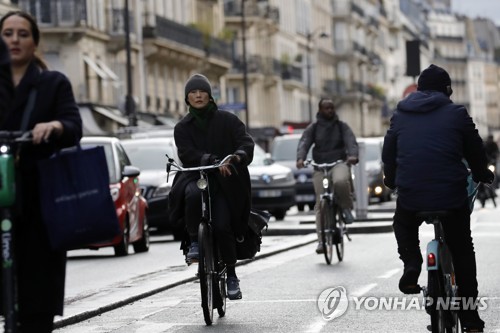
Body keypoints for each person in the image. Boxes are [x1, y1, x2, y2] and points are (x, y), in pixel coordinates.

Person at [382, 64, 494, 332]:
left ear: (419, 89)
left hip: (412, 194)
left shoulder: (401, 113)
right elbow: (475, 148)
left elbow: (389, 150)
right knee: (463, 249)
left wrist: (391, 179)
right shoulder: (456, 113)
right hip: (450, 194)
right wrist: (482, 173)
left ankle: (412, 264)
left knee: (403, 223)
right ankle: (469, 318)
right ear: (447, 89)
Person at [0, 11, 82, 332]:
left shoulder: (53, 83)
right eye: (7, 33)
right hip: (1, 190)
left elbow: (74, 125)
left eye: (22, 34)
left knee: (38, 292)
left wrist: (55, 125)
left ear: (35, 42)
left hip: (40, 199)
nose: (15, 40)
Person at [169, 73, 254, 300]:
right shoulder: (182, 127)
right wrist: (212, 160)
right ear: (187, 98)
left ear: (210, 95)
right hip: (198, 176)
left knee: (223, 226)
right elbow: (186, 153)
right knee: (192, 196)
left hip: (225, 183)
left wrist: (236, 157)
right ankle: (194, 242)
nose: (198, 95)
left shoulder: (228, 120)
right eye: (193, 92)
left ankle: (232, 274)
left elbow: (245, 142)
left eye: (202, 91)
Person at [296, 98, 359, 254]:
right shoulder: (314, 128)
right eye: (326, 108)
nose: (330, 110)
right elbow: (304, 142)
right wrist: (300, 158)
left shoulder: (341, 126)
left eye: (331, 108)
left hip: (339, 163)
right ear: (320, 110)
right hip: (320, 166)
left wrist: (352, 155)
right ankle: (321, 241)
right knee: (320, 203)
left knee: (340, 181)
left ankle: (345, 208)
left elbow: (351, 141)